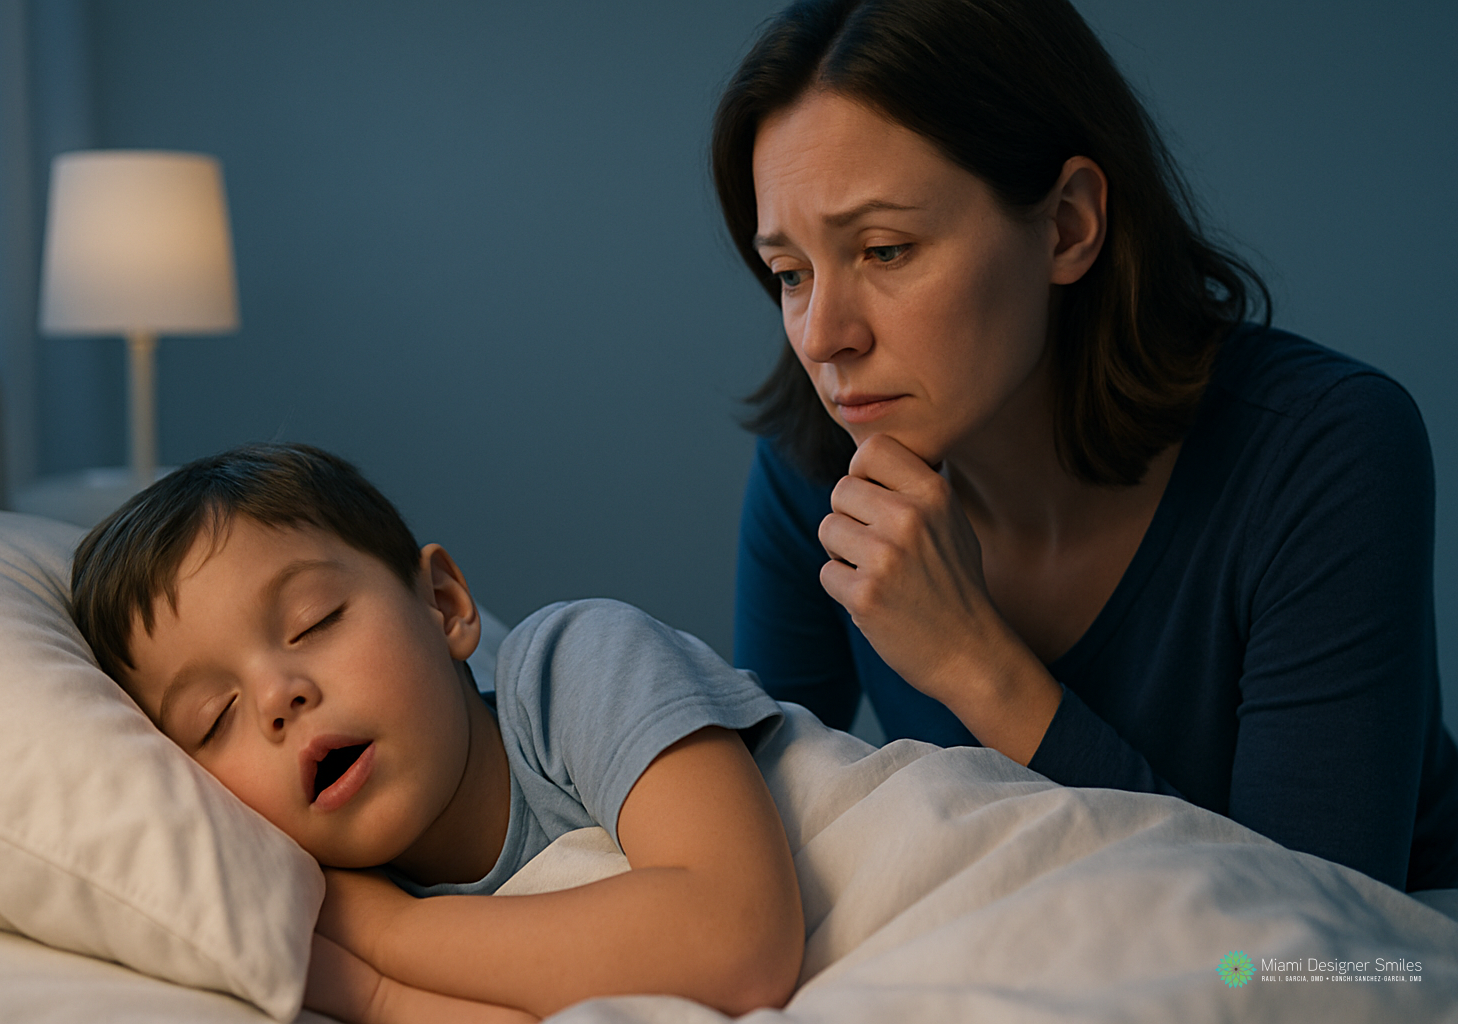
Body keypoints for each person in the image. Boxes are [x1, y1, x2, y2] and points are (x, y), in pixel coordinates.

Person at [716, 0, 1458, 893]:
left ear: (1068, 225)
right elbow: (756, 839)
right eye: (791, 273)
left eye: (884, 249)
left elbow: (1304, 954)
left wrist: (975, 664)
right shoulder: (814, 469)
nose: (824, 336)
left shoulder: (1323, 453)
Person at [70, 442, 802, 1024]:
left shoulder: (573, 665)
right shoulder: (308, 907)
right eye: (214, 717)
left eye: (313, 621)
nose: (277, 698)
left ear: (443, 603)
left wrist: (391, 935)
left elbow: (738, 937)